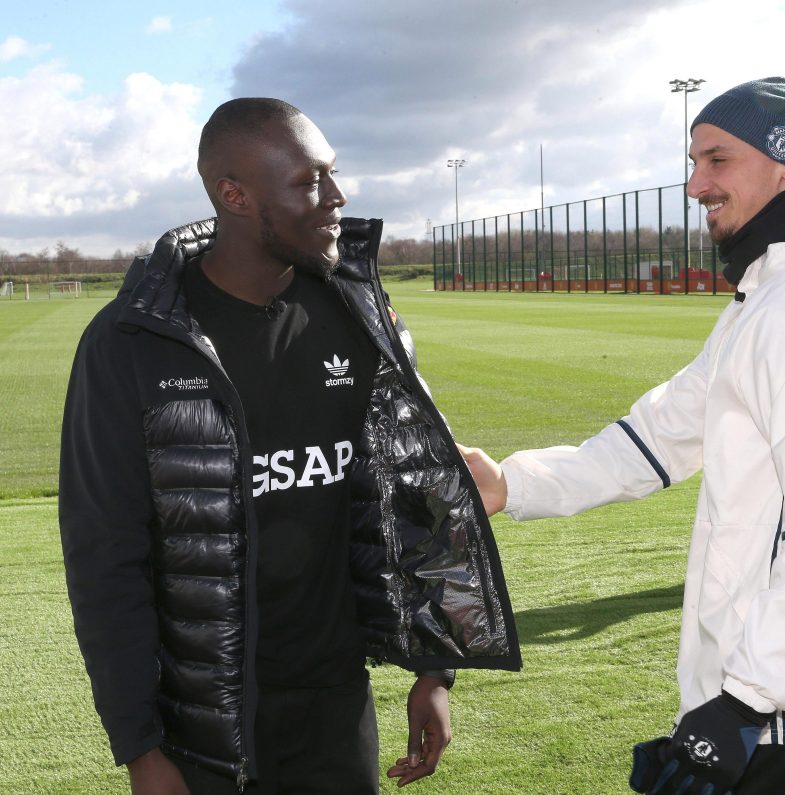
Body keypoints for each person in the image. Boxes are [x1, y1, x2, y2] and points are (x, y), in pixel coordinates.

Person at [461, 77, 785, 794]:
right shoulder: (766, 302)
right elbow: (652, 440)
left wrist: (746, 701)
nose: (693, 185)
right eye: (693, 162)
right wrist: (510, 483)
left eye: (716, 160)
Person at [59, 97, 521, 795]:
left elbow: (415, 493)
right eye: (309, 182)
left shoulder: (358, 317)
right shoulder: (131, 343)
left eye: (332, 174)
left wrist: (435, 666)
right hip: (204, 732)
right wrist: (141, 750)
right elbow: (104, 558)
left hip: (338, 706)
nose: (336, 197)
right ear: (233, 195)